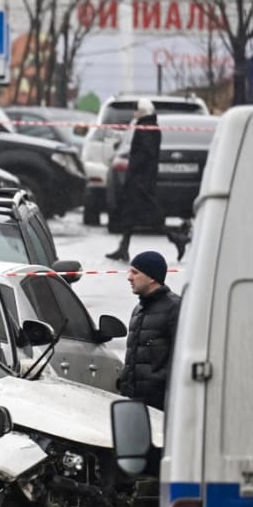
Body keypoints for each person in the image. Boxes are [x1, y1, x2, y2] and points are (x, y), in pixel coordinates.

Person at [118, 251, 181, 410]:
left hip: (160, 406)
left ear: (152, 277)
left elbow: (181, 358)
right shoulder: (138, 310)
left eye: (135, 272)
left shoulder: (175, 308)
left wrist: (158, 384)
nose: (129, 277)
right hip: (134, 403)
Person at [106, 99, 161, 263]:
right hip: (140, 177)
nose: (134, 113)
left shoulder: (145, 127)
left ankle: (177, 238)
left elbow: (145, 153)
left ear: (143, 111)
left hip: (140, 178)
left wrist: (134, 168)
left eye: (136, 110)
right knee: (130, 213)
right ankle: (123, 248)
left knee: (148, 214)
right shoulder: (146, 125)